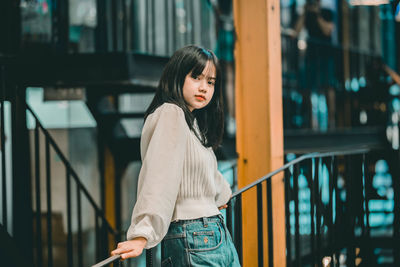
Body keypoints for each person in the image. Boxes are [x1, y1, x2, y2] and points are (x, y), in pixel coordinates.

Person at [111, 45, 240, 266]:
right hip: (192, 234)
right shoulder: (171, 113)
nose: (204, 88)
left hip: (213, 232)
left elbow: (208, 174)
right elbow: (159, 176)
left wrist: (220, 195)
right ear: (178, 76)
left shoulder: (193, 123)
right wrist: (143, 233)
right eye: (196, 77)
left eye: (210, 82)